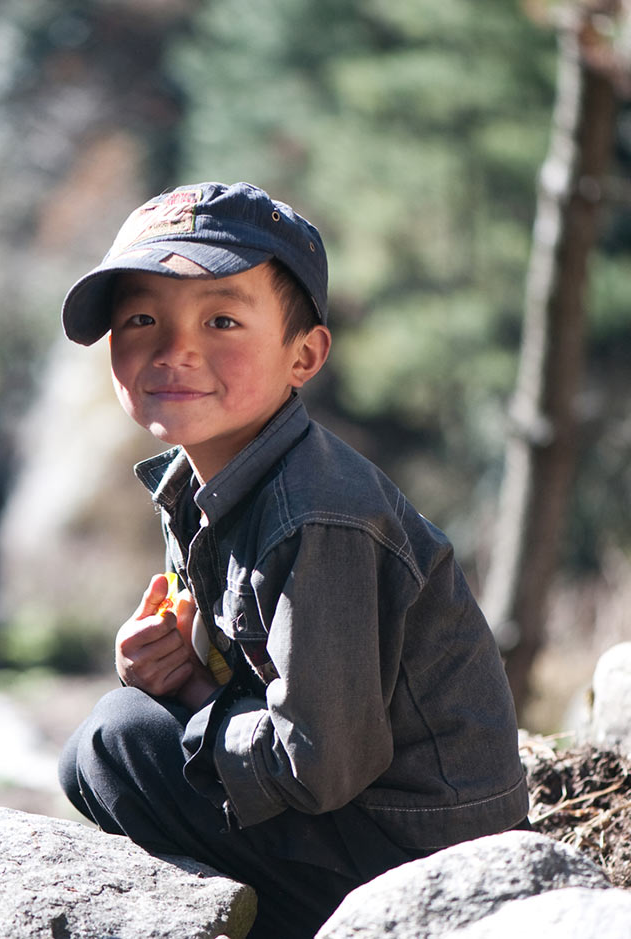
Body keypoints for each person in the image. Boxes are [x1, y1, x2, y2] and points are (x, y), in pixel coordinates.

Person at [56, 181, 529, 938]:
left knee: (119, 743)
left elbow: (321, 763)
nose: (176, 347)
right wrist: (171, 664)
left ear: (304, 353)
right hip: (359, 818)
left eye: (222, 319)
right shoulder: (207, 481)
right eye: (141, 317)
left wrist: (195, 706)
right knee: (101, 749)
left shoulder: (316, 516)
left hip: (424, 862)